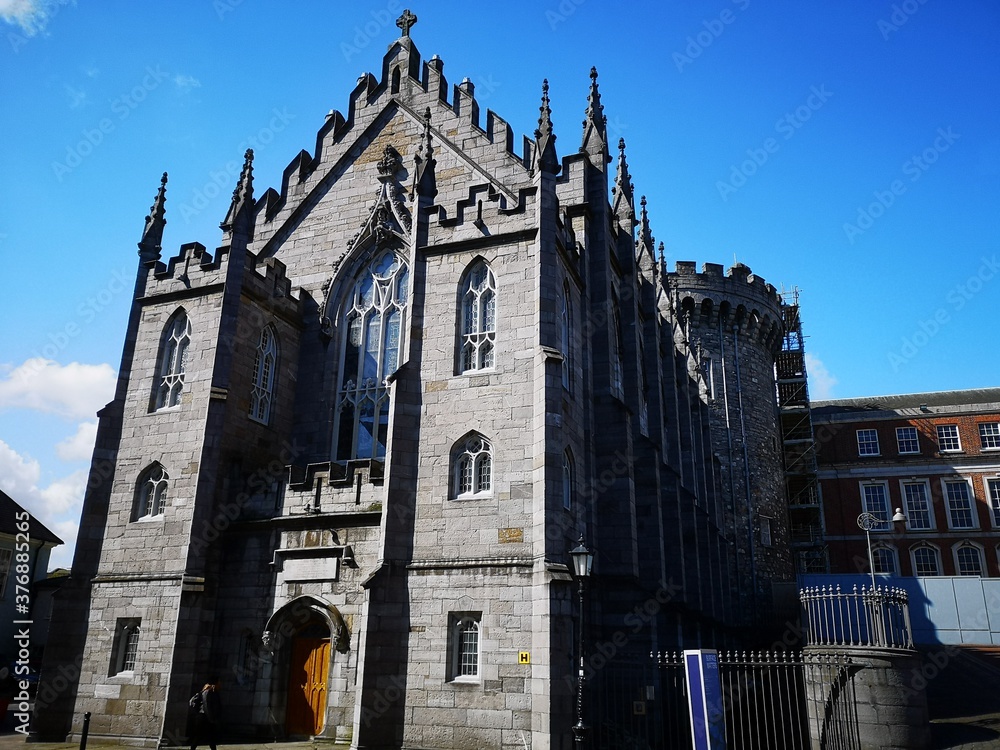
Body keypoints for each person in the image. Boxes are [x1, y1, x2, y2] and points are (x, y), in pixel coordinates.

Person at [189, 676, 222, 750]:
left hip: (207, 717)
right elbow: (206, 705)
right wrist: (211, 719)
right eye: (219, 681)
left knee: (210, 736)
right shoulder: (207, 692)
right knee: (199, 736)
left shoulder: (214, 691)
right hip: (204, 717)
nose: (220, 683)